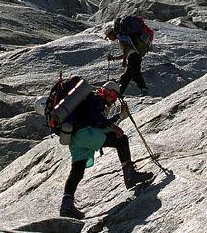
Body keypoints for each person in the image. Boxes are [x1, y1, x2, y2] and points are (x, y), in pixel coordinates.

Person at [60, 82, 154, 219]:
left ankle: (66, 205)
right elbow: (97, 119)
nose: (113, 100)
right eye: (114, 97)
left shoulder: (89, 100)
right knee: (121, 140)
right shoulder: (97, 99)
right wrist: (114, 127)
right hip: (86, 134)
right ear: (109, 93)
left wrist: (119, 116)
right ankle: (130, 175)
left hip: (75, 138)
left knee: (77, 171)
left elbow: (97, 119)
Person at [104, 16, 153, 96]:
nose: (110, 39)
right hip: (134, 56)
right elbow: (126, 53)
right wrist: (114, 58)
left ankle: (144, 91)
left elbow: (127, 48)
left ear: (112, 33)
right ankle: (120, 93)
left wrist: (124, 61)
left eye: (109, 37)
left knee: (135, 73)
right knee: (127, 76)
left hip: (133, 57)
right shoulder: (123, 36)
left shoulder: (121, 36)